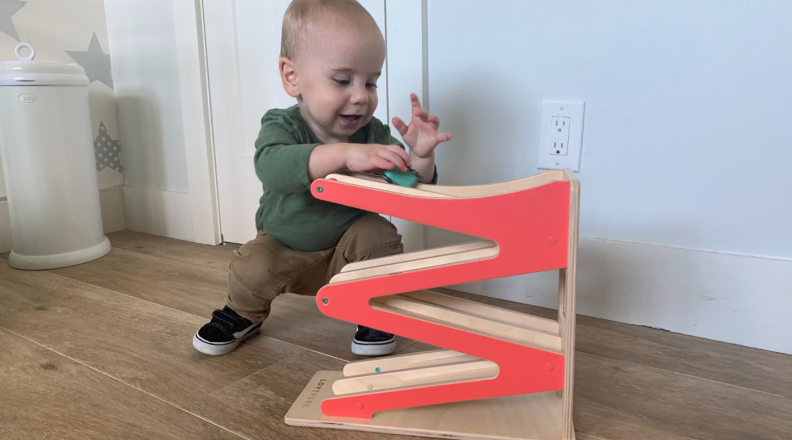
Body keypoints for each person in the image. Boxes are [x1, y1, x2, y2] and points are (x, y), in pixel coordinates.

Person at [193, 0, 451, 357]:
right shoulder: (282, 125)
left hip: (348, 252)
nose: (361, 96)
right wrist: (343, 155)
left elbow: (407, 186)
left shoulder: (372, 134)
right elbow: (271, 166)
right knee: (252, 265)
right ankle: (242, 313)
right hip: (284, 249)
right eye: (343, 80)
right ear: (292, 77)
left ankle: (371, 310)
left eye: (371, 82)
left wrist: (421, 157)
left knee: (378, 233)